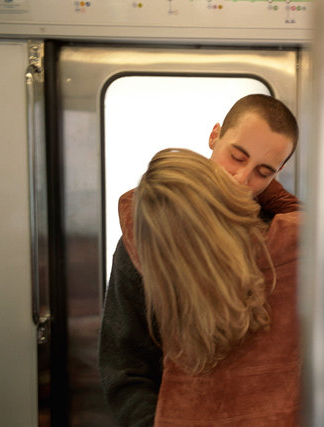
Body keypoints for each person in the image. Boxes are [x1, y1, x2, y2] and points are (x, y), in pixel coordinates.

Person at [99, 94, 300, 426]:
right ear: (214, 135)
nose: (241, 179)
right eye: (236, 157)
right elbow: (125, 369)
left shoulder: (279, 237)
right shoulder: (146, 235)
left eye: (263, 172)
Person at [133, 148, 302, 425]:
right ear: (219, 195)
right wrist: (262, 183)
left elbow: (132, 204)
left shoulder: (157, 257)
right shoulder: (284, 244)